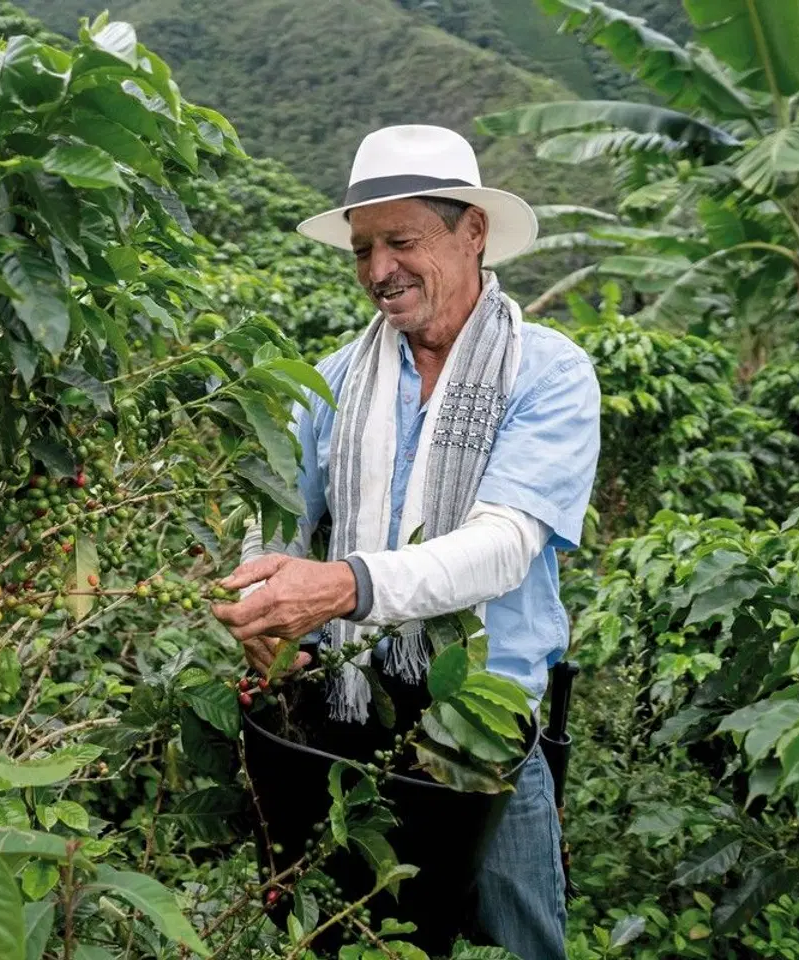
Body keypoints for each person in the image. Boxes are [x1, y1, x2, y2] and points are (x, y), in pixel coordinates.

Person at [209, 124, 601, 959]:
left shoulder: (548, 373)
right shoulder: (339, 379)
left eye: (401, 241)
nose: (377, 270)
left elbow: (501, 547)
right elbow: (275, 515)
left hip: (484, 728)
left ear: (473, 233)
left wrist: (343, 585)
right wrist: (260, 598)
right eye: (361, 248)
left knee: (519, 938)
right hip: (343, 715)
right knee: (345, 931)